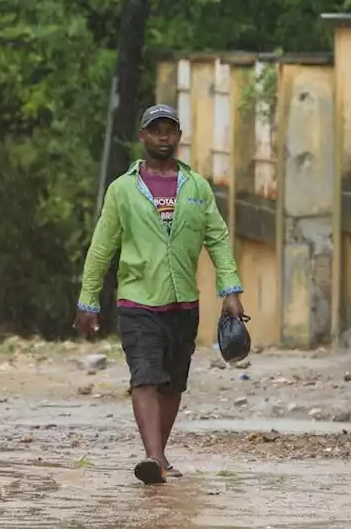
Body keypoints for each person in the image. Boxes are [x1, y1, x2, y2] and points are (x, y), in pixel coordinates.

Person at [74, 103, 244, 485]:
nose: (164, 136)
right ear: (143, 136)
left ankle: (159, 455)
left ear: (178, 136)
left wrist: (230, 290)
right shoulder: (122, 190)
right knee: (145, 377)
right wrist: (89, 299)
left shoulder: (197, 188)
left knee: (172, 384)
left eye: (170, 130)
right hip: (137, 301)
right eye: (156, 130)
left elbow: (217, 238)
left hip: (183, 301)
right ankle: (153, 456)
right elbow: (102, 247)